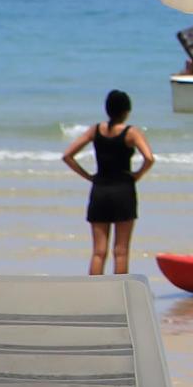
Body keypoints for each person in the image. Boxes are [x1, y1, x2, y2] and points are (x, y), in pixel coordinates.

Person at [61, 89, 153, 275]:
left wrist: (89, 176)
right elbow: (149, 158)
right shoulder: (131, 132)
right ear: (127, 110)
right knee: (121, 251)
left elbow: (67, 156)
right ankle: (119, 292)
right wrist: (137, 175)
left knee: (98, 252)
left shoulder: (95, 130)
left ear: (107, 110)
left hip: (100, 190)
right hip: (123, 191)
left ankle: (93, 292)